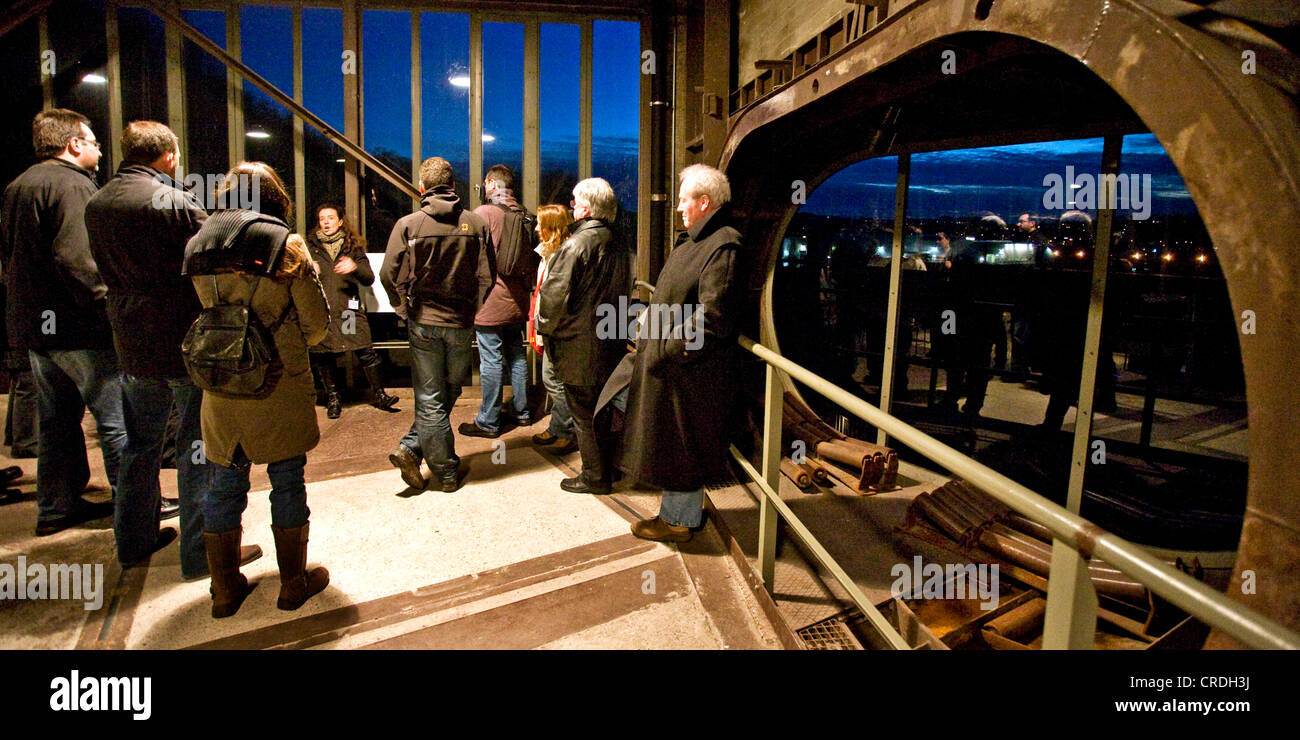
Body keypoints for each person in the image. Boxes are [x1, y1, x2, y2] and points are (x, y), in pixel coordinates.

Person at [85, 120, 256, 577]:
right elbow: (217, 252)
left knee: (140, 444)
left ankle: (133, 541)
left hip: (130, 340)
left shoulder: (97, 201)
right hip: (181, 339)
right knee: (196, 444)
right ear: (169, 157)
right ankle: (200, 554)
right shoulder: (174, 201)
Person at [184, 162, 331, 618]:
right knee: (287, 480)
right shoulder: (285, 245)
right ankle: (292, 584)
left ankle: (224, 590)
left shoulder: (199, 242)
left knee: (224, 485)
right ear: (275, 198)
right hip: (278, 383)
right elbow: (317, 327)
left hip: (221, 383)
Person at [0, 109, 126, 537]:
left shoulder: (19, 185)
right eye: (92, 142)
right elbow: (79, 260)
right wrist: (110, 309)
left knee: (56, 421)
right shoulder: (72, 185)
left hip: (35, 328)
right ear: (73, 144)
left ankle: (56, 507)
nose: (98, 148)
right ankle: (135, 511)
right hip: (77, 327)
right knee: (116, 420)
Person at [621, 164, 746, 542]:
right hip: (676, 367)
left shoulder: (723, 245)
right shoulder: (697, 241)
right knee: (675, 444)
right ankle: (677, 514)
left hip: (688, 372)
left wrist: (667, 349)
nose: (678, 207)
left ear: (704, 202)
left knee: (683, 446)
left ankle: (678, 522)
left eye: (683, 200)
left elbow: (712, 317)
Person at [380, 157, 494, 492]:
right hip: (460, 322)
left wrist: (402, 308)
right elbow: (488, 276)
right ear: (454, 186)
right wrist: (473, 310)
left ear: (422, 187)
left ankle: (413, 449)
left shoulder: (408, 225)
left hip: (423, 321)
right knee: (451, 388)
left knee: (432, 395)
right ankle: (443, 470)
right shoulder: (475, 224)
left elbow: (388, 273)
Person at [535, 177, 630, 494]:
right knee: (603, 411)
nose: (572, 206)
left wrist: (544, 331)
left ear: (586, 208)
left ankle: (594, 477)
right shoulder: (618, 242)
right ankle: (608, 468)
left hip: (580, 345)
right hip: (610, 339)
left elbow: (553, 296)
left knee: (584, 415)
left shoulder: (575, 245)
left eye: (575, 202)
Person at [460, 165, 538, 439]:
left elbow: (472, 258)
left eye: (485, 183)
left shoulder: (485, 213)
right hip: (518, 300)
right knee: (516, 354)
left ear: (492, 183)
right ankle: (522, 412)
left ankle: (489, 420)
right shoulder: (525, 215)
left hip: (491, 301)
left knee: (491, 359)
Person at [306, 202, 398, 419]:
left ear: (339, 222)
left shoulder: (352, 248)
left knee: (364, 349)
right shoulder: (310, 248)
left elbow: (369, 277)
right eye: (322, 219)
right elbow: (296, 275)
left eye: (330, 218)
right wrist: (308, 269)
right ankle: (333, 398)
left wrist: (354, 267)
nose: (326, 222)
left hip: (348, 310)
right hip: (323, 311)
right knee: (324, 355)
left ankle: (380, 395)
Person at [527, 204, 578, 455]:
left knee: (553, 379)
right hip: (549, 326)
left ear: (552, 227)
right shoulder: (548, 252)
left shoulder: (561, 255)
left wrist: (545, 327)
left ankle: (568, 431)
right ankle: (558, 426)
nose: (536, 228)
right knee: (553, 378)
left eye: (540, 223)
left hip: (558, 329)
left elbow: (558, 297)